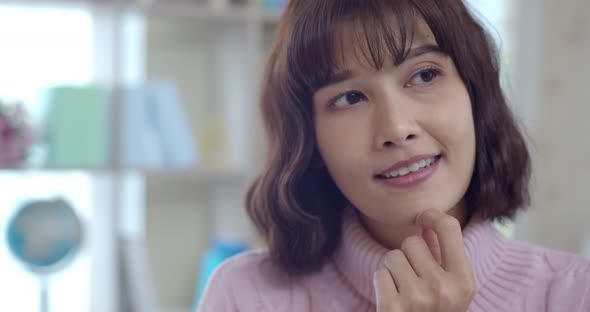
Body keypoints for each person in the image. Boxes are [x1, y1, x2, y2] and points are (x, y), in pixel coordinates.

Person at [197, 0, 590, 311]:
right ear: (311, 141)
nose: (396, 129)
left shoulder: (574, 294)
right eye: (349, 98)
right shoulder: (247, 296)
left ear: (475, 92)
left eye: (424, 75)